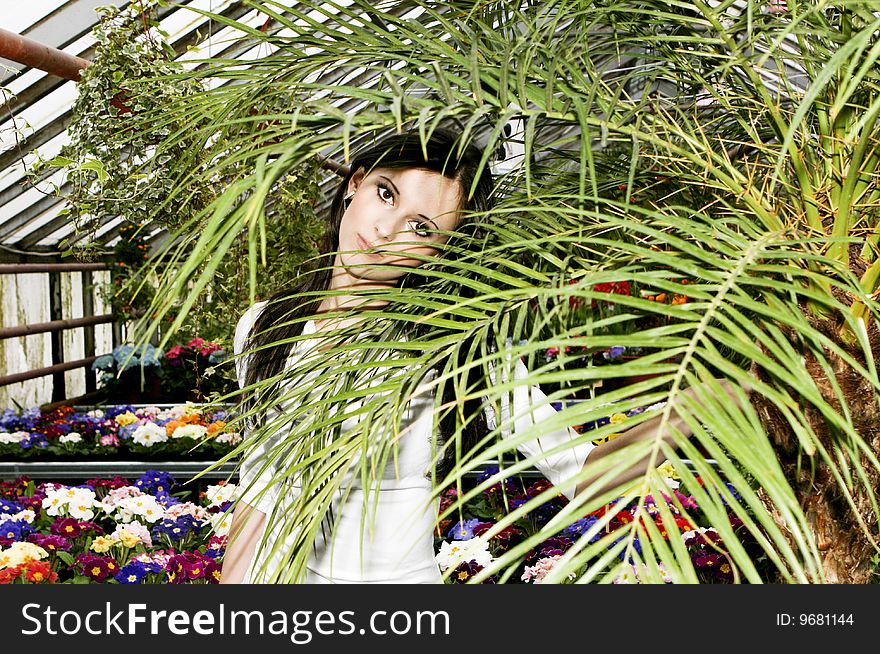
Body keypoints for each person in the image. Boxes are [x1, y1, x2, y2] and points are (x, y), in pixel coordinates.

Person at [218, 127, 746, 584]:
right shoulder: (266, 327)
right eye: (385, 194)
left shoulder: (455, 351)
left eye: (422, 227)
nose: (387, 230)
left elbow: (580, 470)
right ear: (355, 183)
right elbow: (260, 494)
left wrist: (701, 405)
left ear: (440, 251)